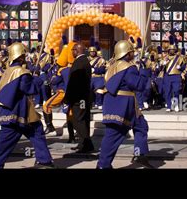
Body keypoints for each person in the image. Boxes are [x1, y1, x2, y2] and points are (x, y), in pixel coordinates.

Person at [0, 42, 54, 169]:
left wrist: (31, 74)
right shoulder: (21, 72)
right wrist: (38, 77)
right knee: (6, 140)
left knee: (37, 131)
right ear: (21, 56)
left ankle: (45, 161)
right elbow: (30, 89)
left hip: (19, 111)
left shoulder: (8, 71)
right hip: (17, 112)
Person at [97, 40, 151, 169]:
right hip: (123, 106)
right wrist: (144, 71)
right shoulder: (128, 67)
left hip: (118, 104)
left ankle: (140, 154)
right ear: (127, 53)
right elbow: (138, 85)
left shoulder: (112, 66)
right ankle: (103, 165)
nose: (133, 54)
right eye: (131, 52)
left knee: (141, 126)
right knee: (113, 136)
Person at [63, 42, 94, 153]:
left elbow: (74, 83)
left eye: (73, 50)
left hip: (79, 98)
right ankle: (84, 143)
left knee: (78, 120)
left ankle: (85, 143)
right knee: (83, 120)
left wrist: (67, 98)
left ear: (77, 50)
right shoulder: (84, 61)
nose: (72, 52)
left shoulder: (79, 62)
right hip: (83, 97)